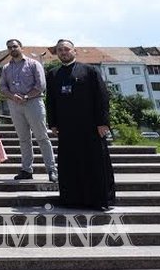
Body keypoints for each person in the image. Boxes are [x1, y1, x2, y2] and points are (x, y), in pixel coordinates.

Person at [47, 39, 116, 211]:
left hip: (91, 127)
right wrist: (53, 122)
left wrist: (103, 122)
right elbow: (51, 100)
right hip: (67, 128)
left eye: (66, 49)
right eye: (60, 50)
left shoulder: (89, 71)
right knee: (70, 163)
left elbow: (102, 97)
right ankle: (72, 199)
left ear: (74, 51)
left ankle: (100, 199)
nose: (63, 52)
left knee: (95, 163)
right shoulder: (53, 74)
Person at [0, 39, 58, 182]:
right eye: (9, 47)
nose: (12, 49)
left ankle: (52, 170)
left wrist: (26, 96)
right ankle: (26, 169)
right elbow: (3, 87)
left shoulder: (33, 64)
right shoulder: (6, 68)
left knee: (42, 137)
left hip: (33, 103)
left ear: (21, 47)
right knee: (23, 139)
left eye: (14, 46)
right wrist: (13, 97)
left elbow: (41, 85)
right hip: (15, 104)